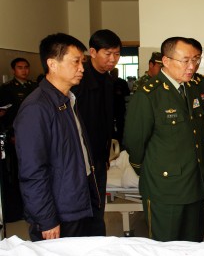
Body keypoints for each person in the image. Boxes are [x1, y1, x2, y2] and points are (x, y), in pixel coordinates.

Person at [14, 33, 100, 241]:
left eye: (83, 62)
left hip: (78, 203)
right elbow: (32, 171)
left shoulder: (68, 99)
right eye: (76, 62)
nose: (81, 68)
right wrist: (46, 219)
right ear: (52, 64)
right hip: (59, 214)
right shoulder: (37, 108)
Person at [124, 37, 204, 242]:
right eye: (185, 60)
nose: (192, 66)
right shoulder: (149, 94)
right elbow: (134, 142)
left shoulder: (192, 87)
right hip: (165, 189)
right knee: (166, 248)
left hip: (195, 184)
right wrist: (150, 173)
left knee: (194, 245)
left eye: (195, 60)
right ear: (166, 61)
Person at [72, 29, 121, 236]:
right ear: (92, 52)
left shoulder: (109, 81)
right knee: (81, 207)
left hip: (99, 157)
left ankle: (97, 243)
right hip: (80, 156)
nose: (113, 60)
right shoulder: (79, 80)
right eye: (107, 54)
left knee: (98, 204)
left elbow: (107, 119)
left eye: (117, 54)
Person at [0, 58, 38, 222]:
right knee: (17, 172)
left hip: (35, 135)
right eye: (20, 68)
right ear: (14, 70)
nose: (23, 71)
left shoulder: (34, 87)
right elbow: (7, 115)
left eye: (26, 67)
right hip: (16, 136)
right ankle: (19, 207)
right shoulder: (7, 89)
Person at [111, 67, 130, 144]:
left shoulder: (122, 82)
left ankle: (120, 139)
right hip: (111, 107)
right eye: (114, 73)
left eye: (116, 72)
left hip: (119, 107)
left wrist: (121, 93)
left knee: (120, 124)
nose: (115, 74)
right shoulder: (107, 81)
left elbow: (127, 92)